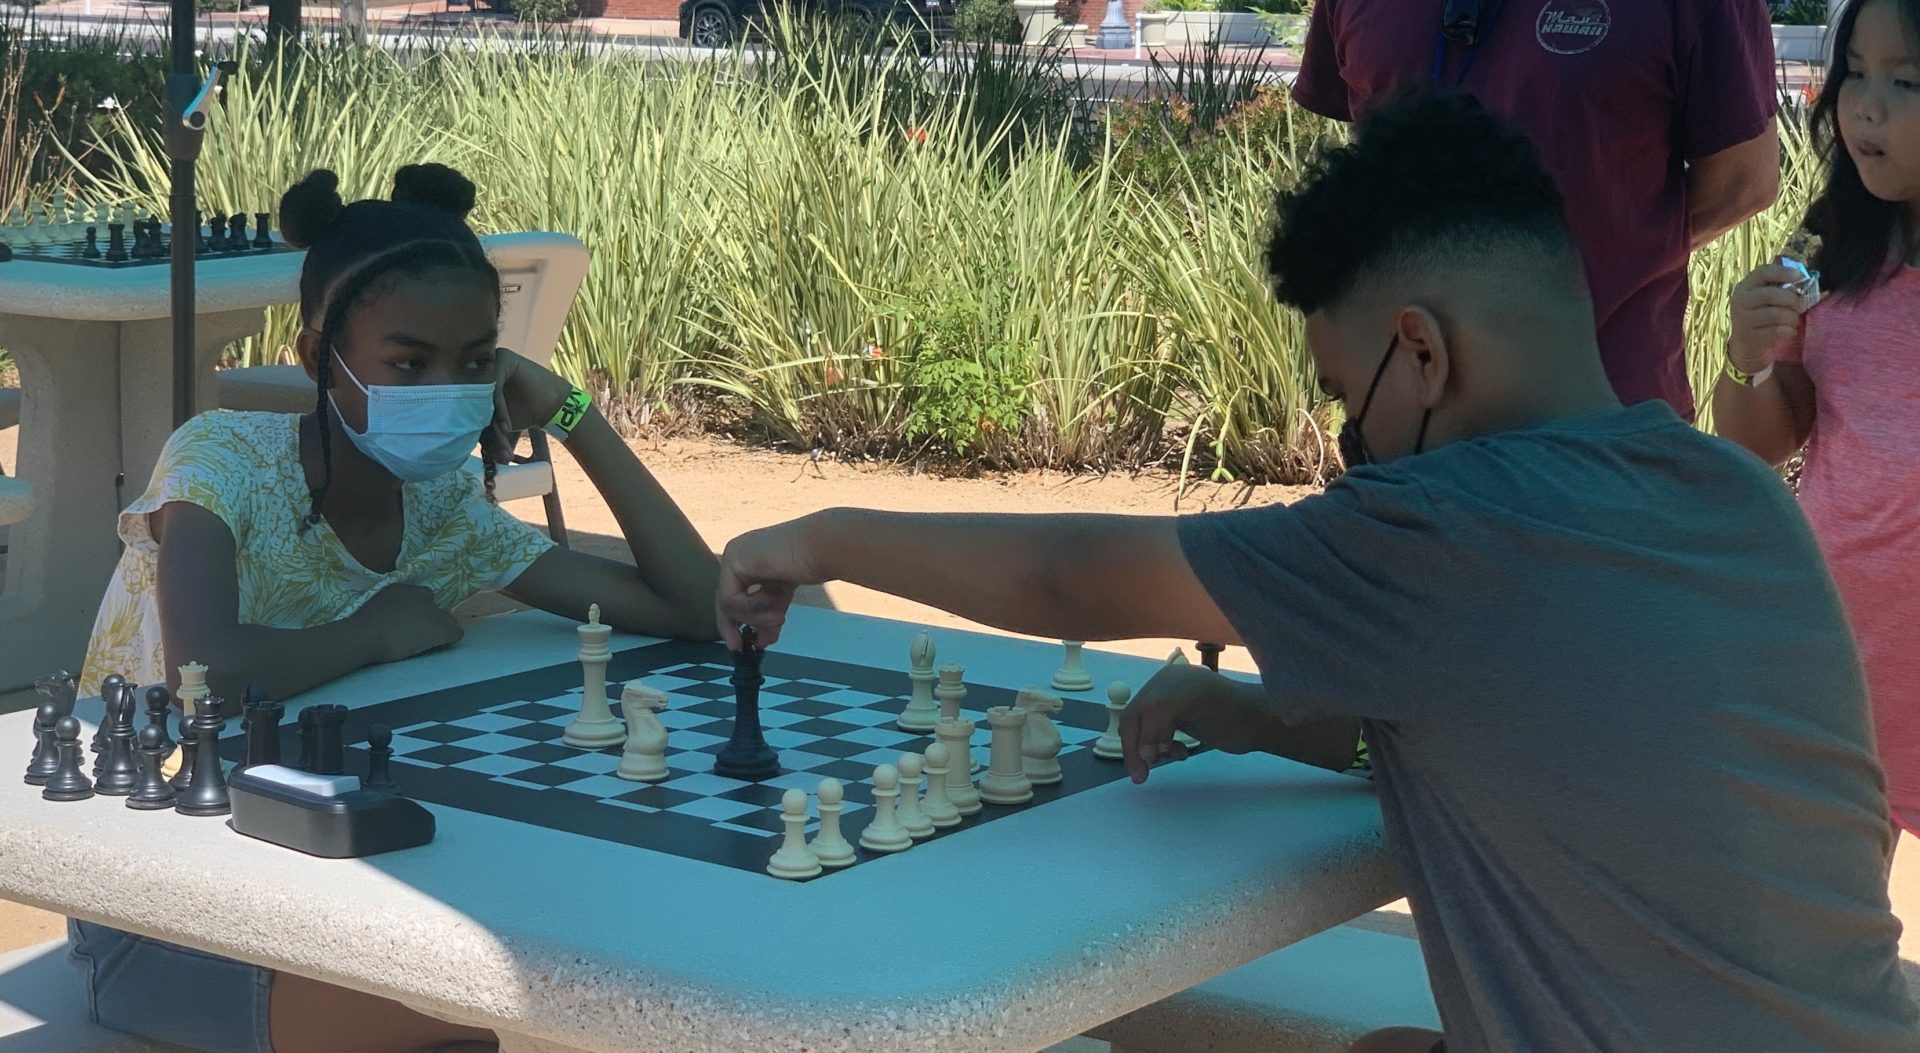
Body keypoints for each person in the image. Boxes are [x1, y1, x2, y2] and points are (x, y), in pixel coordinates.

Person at [714, 89, 1920, 1051]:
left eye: (1349, 405)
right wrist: (1256, 714)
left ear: (1421, 349)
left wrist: (817, 539)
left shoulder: (1440, 527)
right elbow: (1532, 722)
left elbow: (1075, 577)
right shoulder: (1731, 493)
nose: (1352, 450)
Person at [68, 164, 719, 1053]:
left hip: (328, 888)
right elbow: (204, 680)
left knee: (581, 969)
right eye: (408, 361)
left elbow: (695, 607)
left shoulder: (447, 509)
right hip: (154, 913)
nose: (447, 387)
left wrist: (570, 411)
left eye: (476, 361)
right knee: (516, 1019)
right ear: (315, 358)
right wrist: (372, 630)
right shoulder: (218, 459)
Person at [1291, 0, 1782, 421]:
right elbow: (1362, 145)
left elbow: (1743, 180)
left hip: (1604, 428)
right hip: (1403, 426)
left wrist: (1600, 253)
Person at [1715, 0, 1920, 836]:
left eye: (1905, 80)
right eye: (1854, 74)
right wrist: (1749, 356)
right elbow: (1764, 436)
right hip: (1840, 651)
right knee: (1827, 919)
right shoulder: (1833, 245)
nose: (1866, 105)